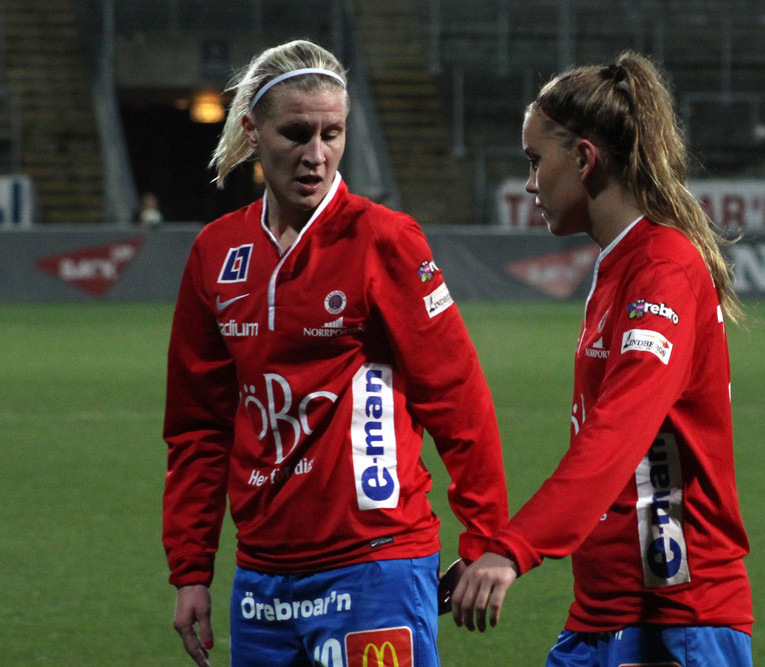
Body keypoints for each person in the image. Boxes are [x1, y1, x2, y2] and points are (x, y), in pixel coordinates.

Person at [162, 39, 508, 667]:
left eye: (333, 134)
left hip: (375, 563)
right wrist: (190, 569)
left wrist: (485, 535)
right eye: (296, 134)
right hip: (262, 580)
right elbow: (198, 426)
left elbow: (457, 395)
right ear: (253, 130)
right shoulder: (216, 252)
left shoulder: (385, 240)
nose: (316, 155)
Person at [450, 51, 753, 666]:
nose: (530, 184)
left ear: (585, 159)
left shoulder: (663, 269)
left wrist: (514, 547)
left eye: (536, 161)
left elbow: (618, 431)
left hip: (674, 617)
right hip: (607, 610)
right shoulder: (621, 263)